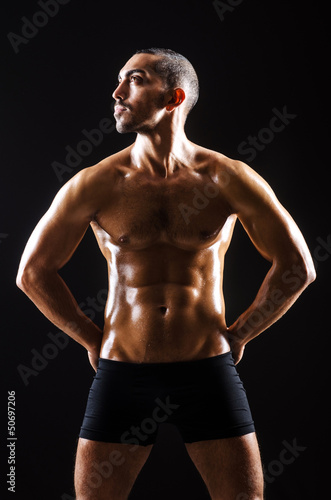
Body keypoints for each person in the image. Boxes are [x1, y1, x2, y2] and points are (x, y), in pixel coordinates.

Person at [16, 48, 316, 500]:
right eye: (119, 80)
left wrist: (241, 335)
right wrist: (89, 339)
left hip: (207, 370)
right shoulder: (97, 181)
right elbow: (32, 272)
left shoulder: (227, 178)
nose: (117, 93)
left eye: (134, 80)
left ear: (174, 97)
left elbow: (297, 266)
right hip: (123, 370)